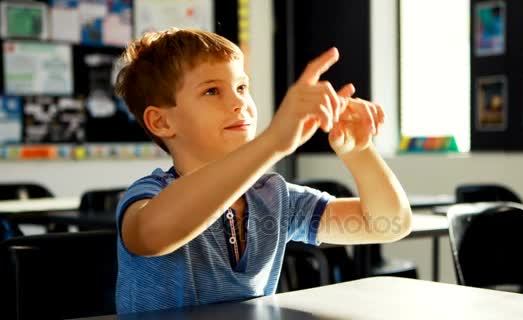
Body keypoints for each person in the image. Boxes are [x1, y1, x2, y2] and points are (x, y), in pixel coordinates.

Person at [113, 28, 412, 314]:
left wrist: (358, 151)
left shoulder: (272, 195)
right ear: (161, 122)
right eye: (212, 91)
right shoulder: (150, 193)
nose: (239, 102)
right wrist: (273, 142)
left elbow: (388, 225)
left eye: (242, 87)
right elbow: (151, 236)